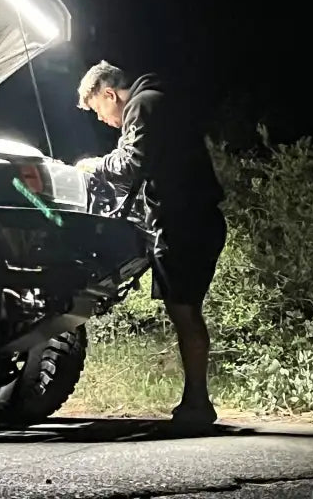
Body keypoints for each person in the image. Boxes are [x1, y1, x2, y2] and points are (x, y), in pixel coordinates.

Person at [75, 60, 226, 428]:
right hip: (192, 221)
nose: (102, 120)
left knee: (185, 313)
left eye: (99, 110)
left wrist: (91, 165)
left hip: (185, 224)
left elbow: (130, 164)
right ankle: (195, 402)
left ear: (109, 94)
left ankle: (197, 404)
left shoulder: (144, 105)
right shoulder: (158, 102)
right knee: (185, 312)